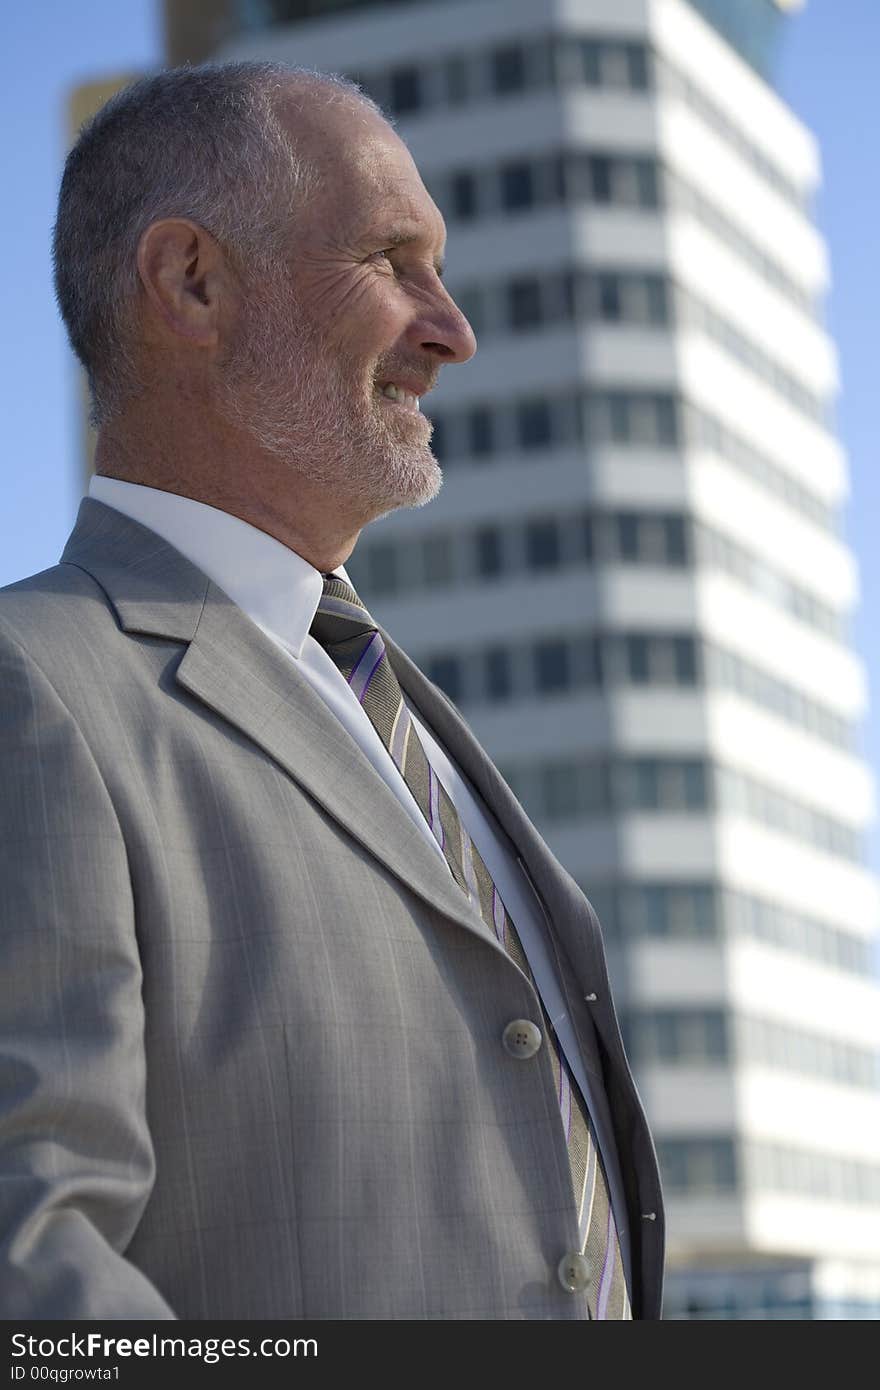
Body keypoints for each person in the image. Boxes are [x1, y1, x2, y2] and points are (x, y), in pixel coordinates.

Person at [0, 61, 664, 1321]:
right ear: (191, 282)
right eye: (390, 260)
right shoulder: (31, 688)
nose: (452, 328)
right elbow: (33, 1270)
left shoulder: (405, 715)